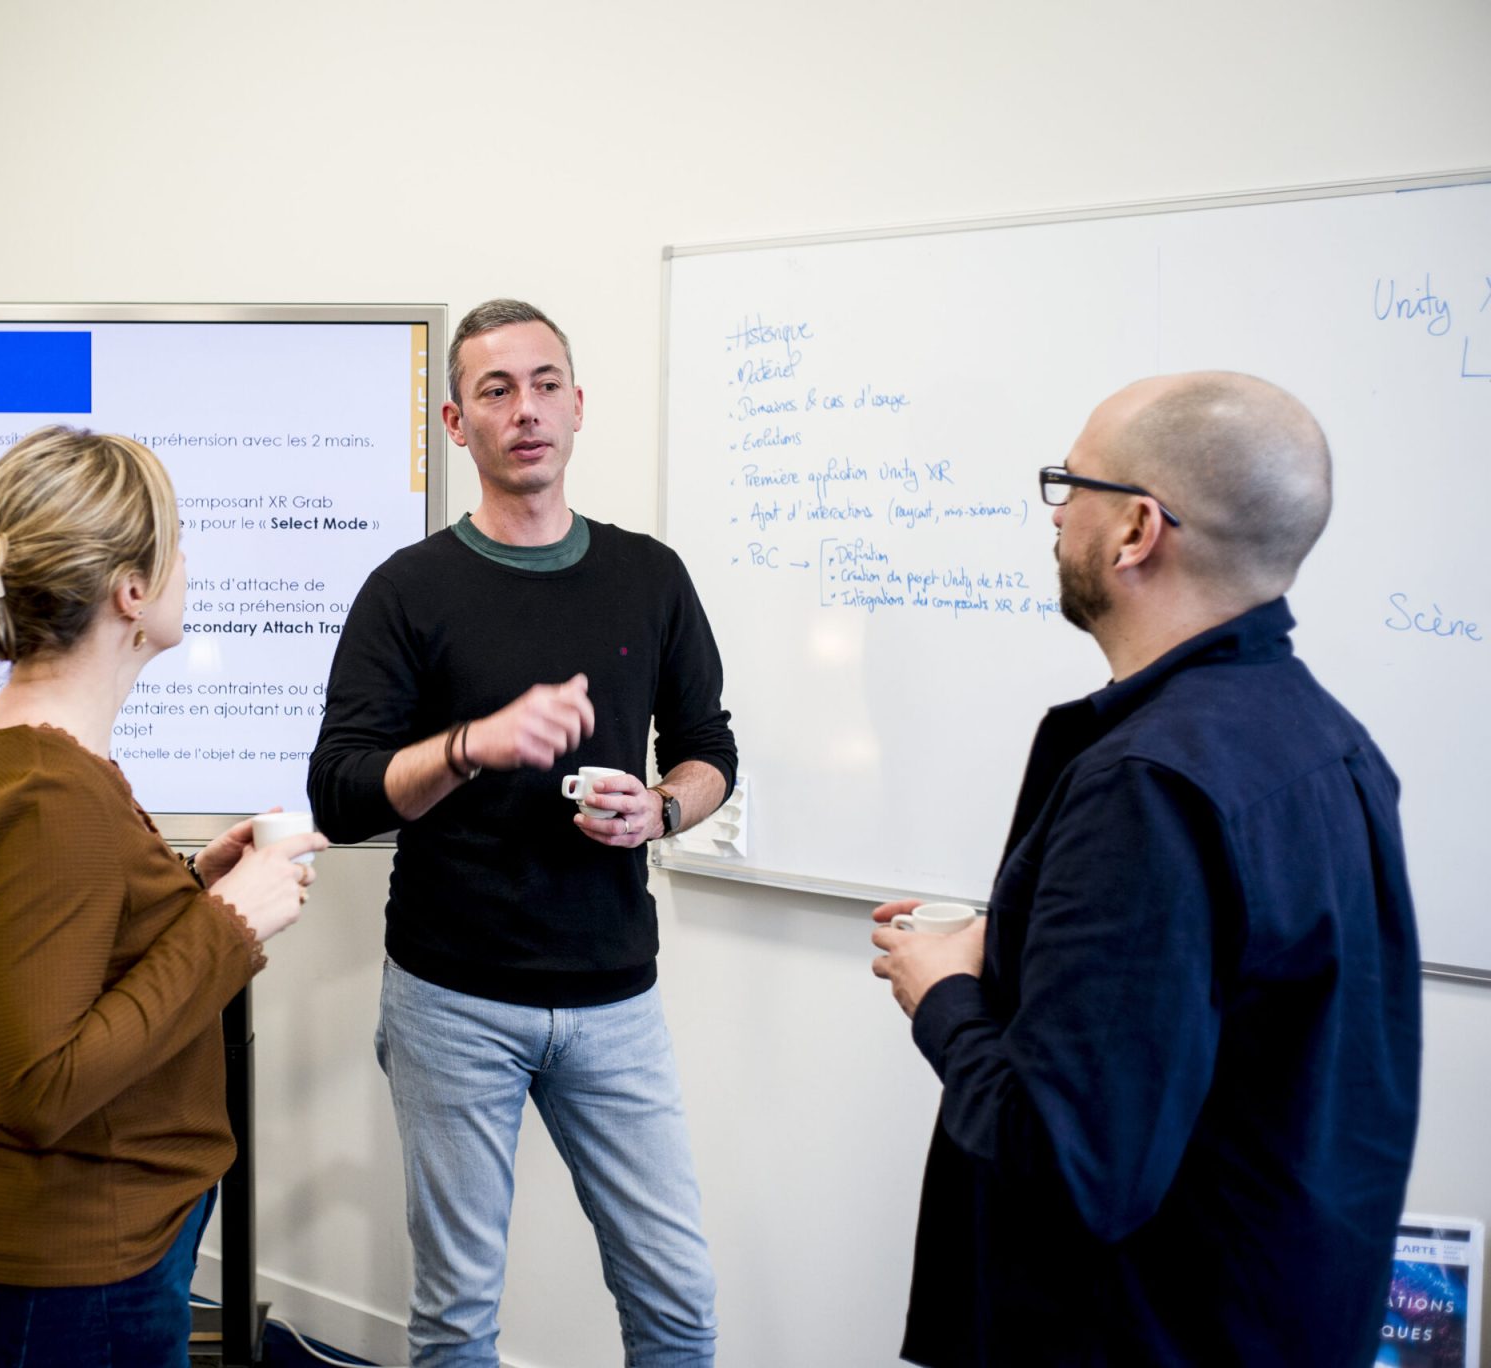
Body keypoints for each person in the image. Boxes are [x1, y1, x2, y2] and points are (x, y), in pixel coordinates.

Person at [869, 373, 1421, 1366]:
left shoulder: (1147, 787)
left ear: (1134, 530)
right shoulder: (1324, 743)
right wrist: (1024, 948)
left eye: (1066, 483)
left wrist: (941, 991)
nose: (1051, 516)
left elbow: (1068, 1164)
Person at [308, 299, 736, 1366]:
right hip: (452, 1000)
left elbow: (709, 749)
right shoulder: (406, 592)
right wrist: (470, 745)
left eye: (545, 384)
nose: (525, 409)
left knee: (677, 1303)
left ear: (578, 406)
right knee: (456, 1322)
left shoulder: (650, 576)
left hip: (613, 997)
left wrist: (663, 807)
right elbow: (341, 793)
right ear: (457, 425)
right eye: (494, 391)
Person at [0, 426, 327, 1368]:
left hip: (98, 1251)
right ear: (132, 592)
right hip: (76, 1274)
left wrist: (187, 893)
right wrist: (228, 928)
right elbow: (42, 1087)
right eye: (176, 542)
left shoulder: (39, 759)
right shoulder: (51, 796)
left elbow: (76, 951)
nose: (189, 561)